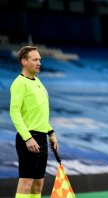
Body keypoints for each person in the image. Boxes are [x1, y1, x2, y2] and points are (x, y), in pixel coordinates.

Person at [10, 46, 59, 198]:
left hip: (42, 138)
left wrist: (51, 134)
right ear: (24, 62)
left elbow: (41, 113)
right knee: (26, 183)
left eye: (40, 60)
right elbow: (14, 112)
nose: (39, 63)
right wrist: (27, 138)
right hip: (28, 139)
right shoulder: (19, 83)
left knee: (38, 184)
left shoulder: (37, 81)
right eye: (35, 59)